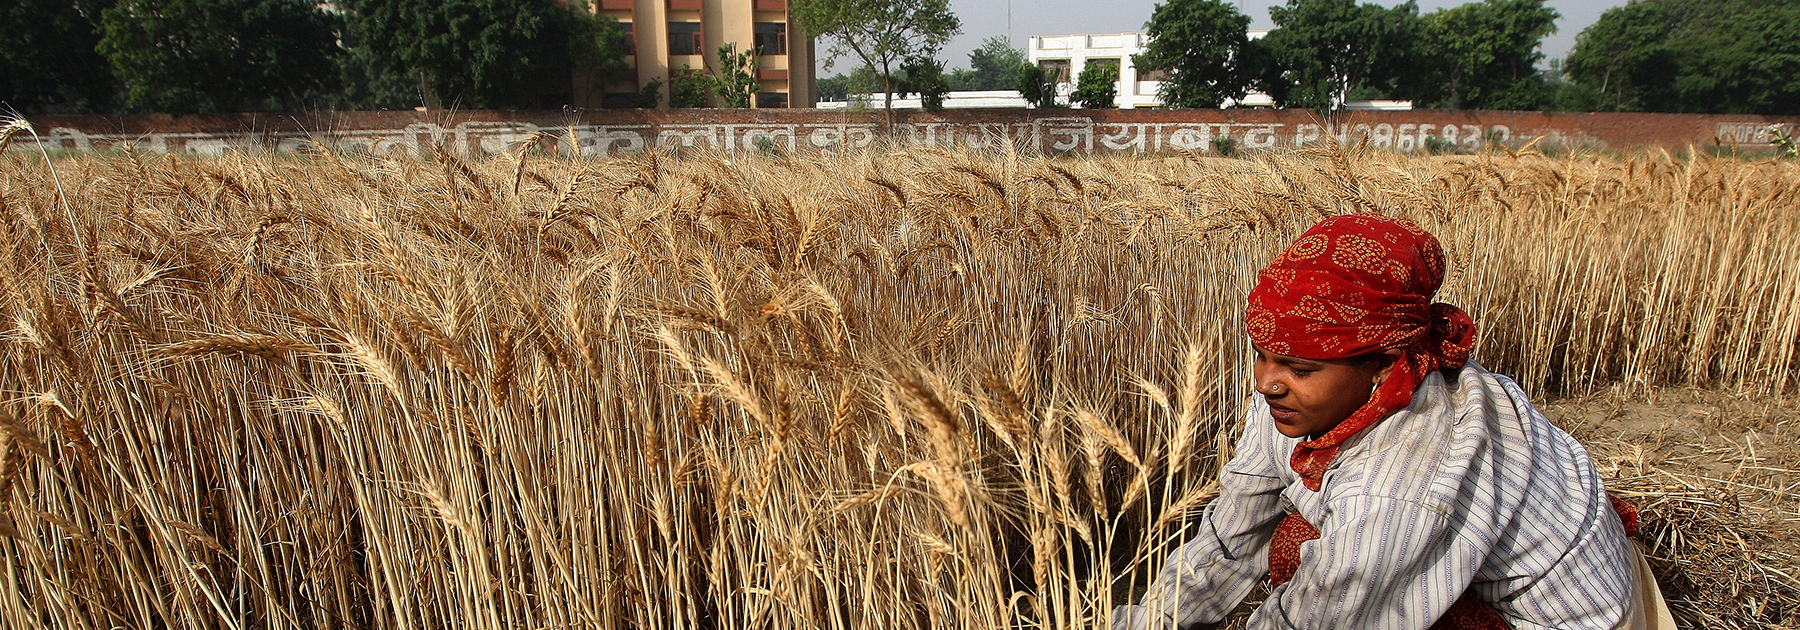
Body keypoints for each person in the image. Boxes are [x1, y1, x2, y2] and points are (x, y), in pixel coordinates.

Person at [1112, 215, 1675, 630]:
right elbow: (1232, 534)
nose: (1268, 382)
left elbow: (1320, 616)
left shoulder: (1413, 468)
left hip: (1571, 619)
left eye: (1300, 368)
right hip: (1457, 558)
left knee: (1311, 557)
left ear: (1383, 362)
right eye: (1262, 353)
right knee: (1292, 544)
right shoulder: (1299, 399)